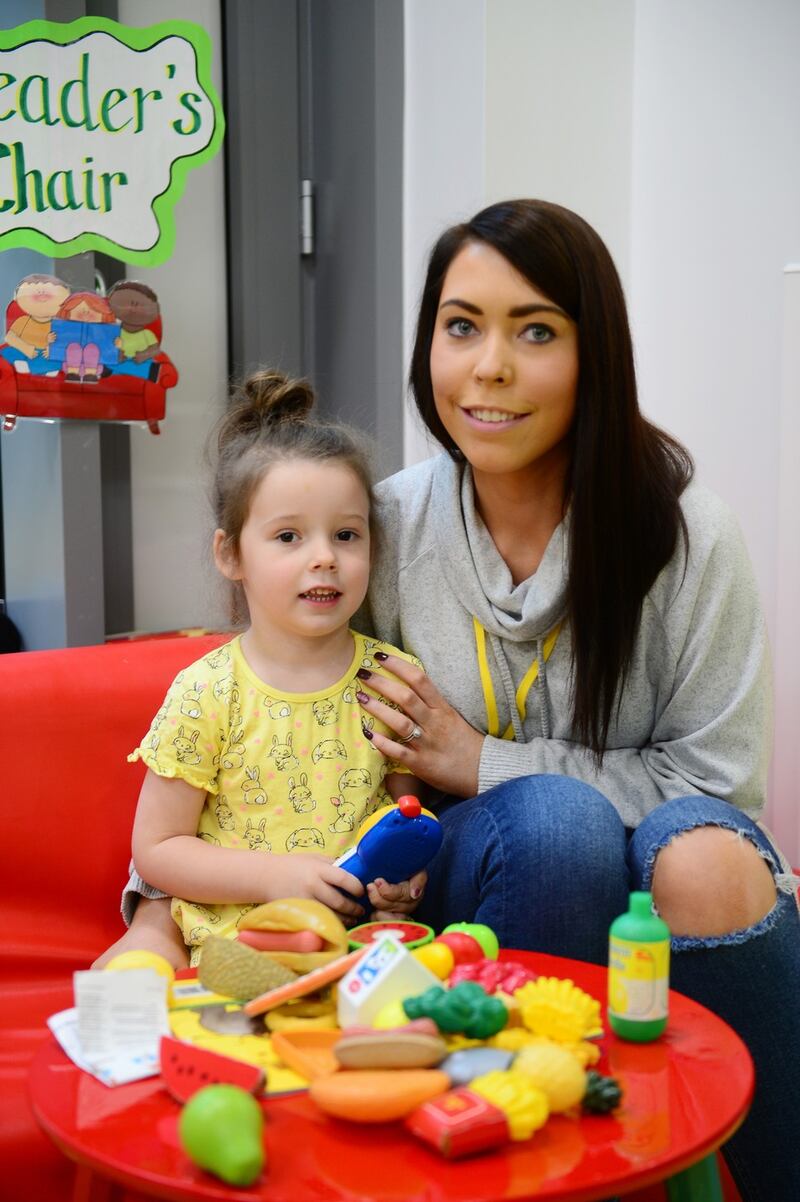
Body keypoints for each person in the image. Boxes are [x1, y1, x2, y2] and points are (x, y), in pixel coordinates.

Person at [119, 200, 798, 1201]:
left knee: (700, 853)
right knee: (556, 827)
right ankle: (533, 1161)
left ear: (592, 353)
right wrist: (153, 911)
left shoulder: (682, 532)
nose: (487, 366)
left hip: (654, 869)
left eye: (534, 330)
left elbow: (715, 783)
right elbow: (259, 711)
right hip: (479, 882)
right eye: (459, 325)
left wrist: (479, 759)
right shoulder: (378, 523)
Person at [104, 370, 426, 968]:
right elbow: (158, 849)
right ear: (231, 554)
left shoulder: (392, 676)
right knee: (139, 979)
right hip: (230, 948)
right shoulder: (206, 692)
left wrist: (400, 880)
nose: (325, 557)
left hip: (355, 951)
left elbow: (401, 814)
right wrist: (275, 876)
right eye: (288, 536)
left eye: (347, 534)